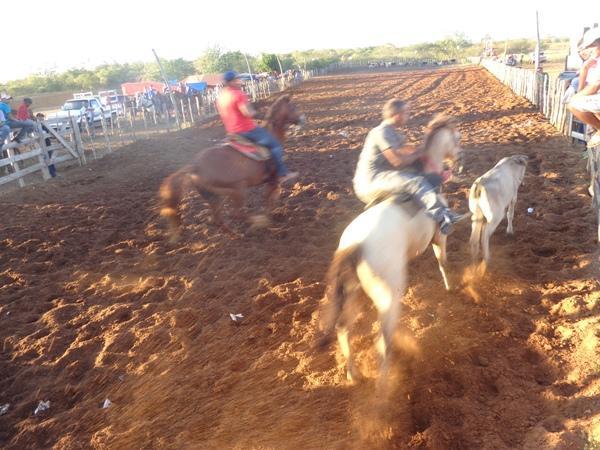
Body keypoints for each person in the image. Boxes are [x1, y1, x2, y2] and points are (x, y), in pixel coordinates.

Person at [353, 98, 466, 235]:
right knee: (415, 182)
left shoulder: (395, 134)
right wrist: (420, 153)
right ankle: (443, 217)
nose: (409, 116)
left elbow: (409, 152)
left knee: (419, 175)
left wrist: (424, 152)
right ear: (397, 114)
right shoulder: (382, 132)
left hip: (385, 175)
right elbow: (397, 162)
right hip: (371, 181)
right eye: (406, 112)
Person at [216, 70, 298, 183]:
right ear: (231, 82)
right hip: (247, 130)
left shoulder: (221, 97)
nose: (239, 81)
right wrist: (261, 114)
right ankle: (282, 174)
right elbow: (248, 113)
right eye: (237, 79)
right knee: (275, 145)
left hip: (232, 132)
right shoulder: (238, 94)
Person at [567, 27, 600, 148]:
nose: (588, 49)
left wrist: (577, 97)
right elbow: (588, 88)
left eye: (592, 45)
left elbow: (595, 85)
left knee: (573, 104)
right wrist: (585, 68)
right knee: (575, 103)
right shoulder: (593, 62)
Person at [35, 113, 57, 177]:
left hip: (47, 142)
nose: (42, 119)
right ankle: (51, 172)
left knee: (50, 156)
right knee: (46, 157)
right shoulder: (36, 125)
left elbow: (49, 131)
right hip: (42, 143)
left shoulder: (44, 124)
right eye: (40, 118)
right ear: (37, 117)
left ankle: (52, 172)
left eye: (42, 118)